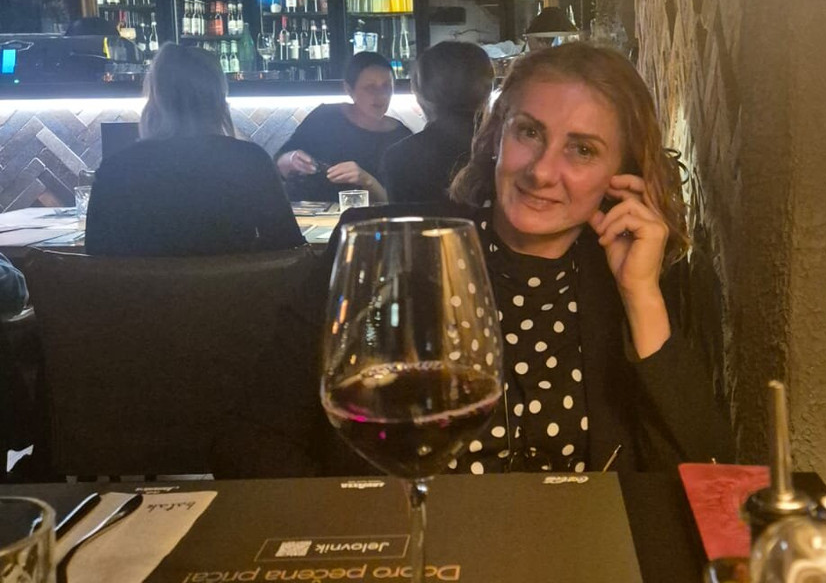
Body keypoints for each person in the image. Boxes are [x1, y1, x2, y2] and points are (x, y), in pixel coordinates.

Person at [215, 42, 730, 478]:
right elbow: (251, 441)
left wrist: (641, 296)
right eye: (529, 132)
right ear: (496, 136)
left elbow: (705, 479)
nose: (542, 172)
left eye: (583, 150)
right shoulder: (382, 252)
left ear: (622, 175)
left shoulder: (638, 283)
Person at [85, 43, 304, 257]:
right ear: (219, 98)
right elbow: (287, 245)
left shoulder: (116, 168)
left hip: (142, 283)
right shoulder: (250, 161)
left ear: (155, 98)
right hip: (233, 282)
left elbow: (96, 252)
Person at [276, 52, 411, 203]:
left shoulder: (402, 138)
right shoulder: (324, 117)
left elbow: (399, 204)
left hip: (367, 218)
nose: (381, 95)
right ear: (349, 90)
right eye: (370, 87)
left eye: (386, 86)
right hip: (306, 213)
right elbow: (279, 165)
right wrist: (290, 159)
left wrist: (366, 180)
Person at [380, 40, 493, 203]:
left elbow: (403, 219)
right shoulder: (506, 148)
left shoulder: (399, 158)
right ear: (487, 90)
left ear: (419, 91)